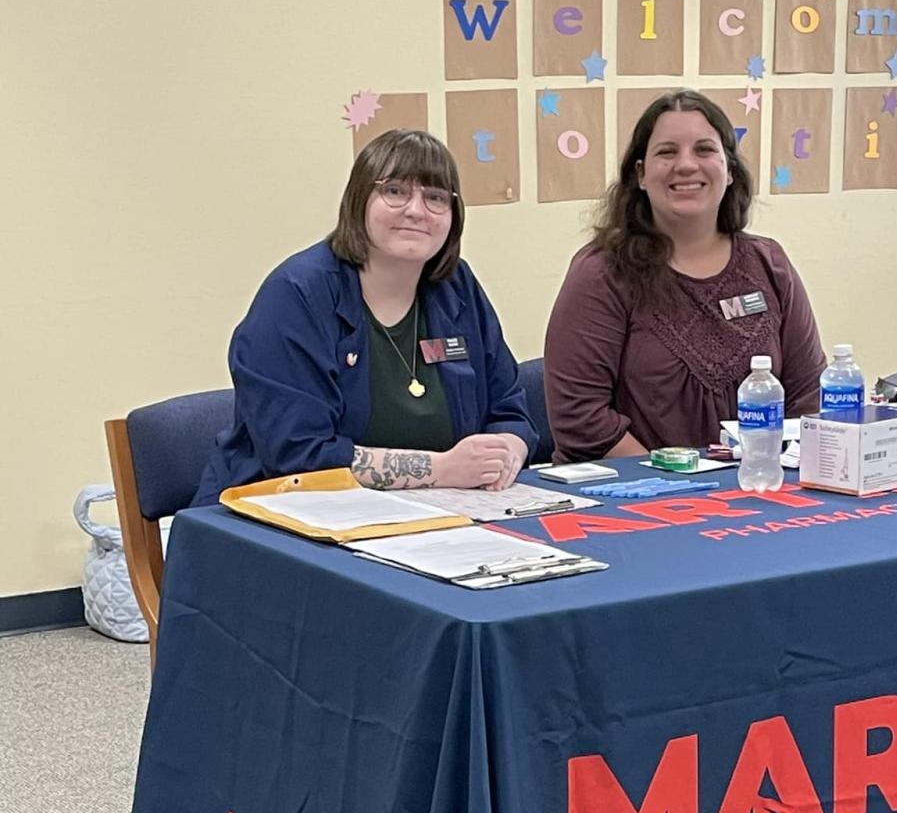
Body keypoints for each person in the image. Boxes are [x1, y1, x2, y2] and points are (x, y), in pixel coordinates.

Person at [194, 129, 536, 503]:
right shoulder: (296, 295)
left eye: (436, 197)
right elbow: (298, 457)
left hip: (440, 513)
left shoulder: (457, 287)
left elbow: (510, 411)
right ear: (359, 200)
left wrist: (507, 451)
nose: (416, 210)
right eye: (395, 191)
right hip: (280, 520)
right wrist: (442, 469)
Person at [544, 89, 826, 462]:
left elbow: (808, 397)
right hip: (636, 496)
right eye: (667, 152)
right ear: (641, 175)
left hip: (758, 488)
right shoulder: (601, 273)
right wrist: (675, 480)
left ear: (729, 171)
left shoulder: (769, 264)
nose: (686, 165)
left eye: (704, 150)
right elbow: (581, 419)